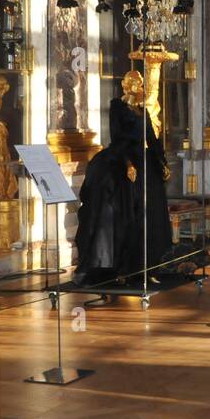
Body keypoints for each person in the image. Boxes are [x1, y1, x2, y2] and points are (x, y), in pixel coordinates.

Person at [74, 70, 172, 286]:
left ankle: (149, 266)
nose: (141, 86)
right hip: (122, 161)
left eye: (142, 83)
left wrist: (162, 163)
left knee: (152, 215)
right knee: (125, 215)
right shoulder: (117, 106)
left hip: (145, 164)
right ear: (127, 86)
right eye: (137, 83)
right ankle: (122, 267)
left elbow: (152, 139)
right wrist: (127, 163)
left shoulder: (142, 110)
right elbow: (117, 137)